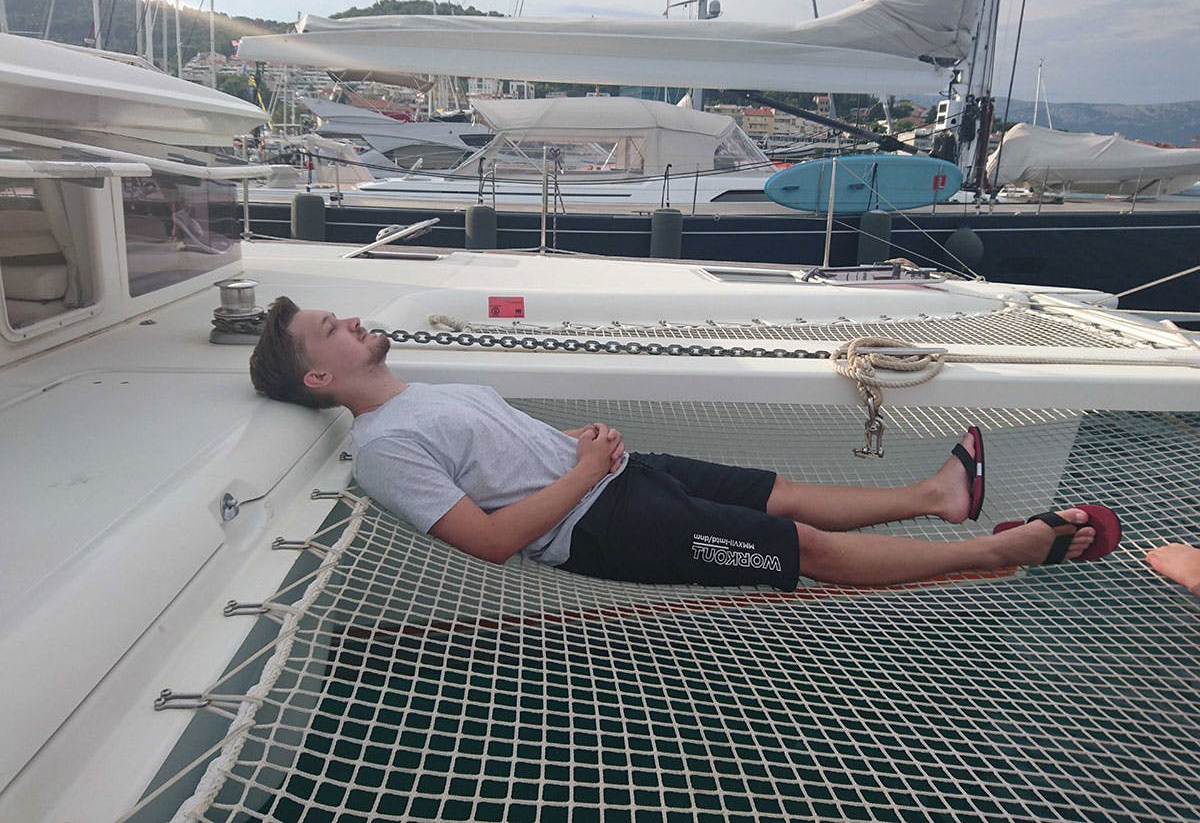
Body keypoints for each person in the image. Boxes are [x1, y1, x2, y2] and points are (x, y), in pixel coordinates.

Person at [249, 297, 1121, 589]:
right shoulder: (383, 449)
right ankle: (997, 550)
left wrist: (575, 443)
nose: (354, 320)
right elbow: (492, 542)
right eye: (333, 328)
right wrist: (586, 467)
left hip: (621, 477)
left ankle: (939, 496)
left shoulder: (418, 398)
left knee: (781, 491)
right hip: (603, 526)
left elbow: (501, 457)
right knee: (803, 548)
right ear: (319, 378)